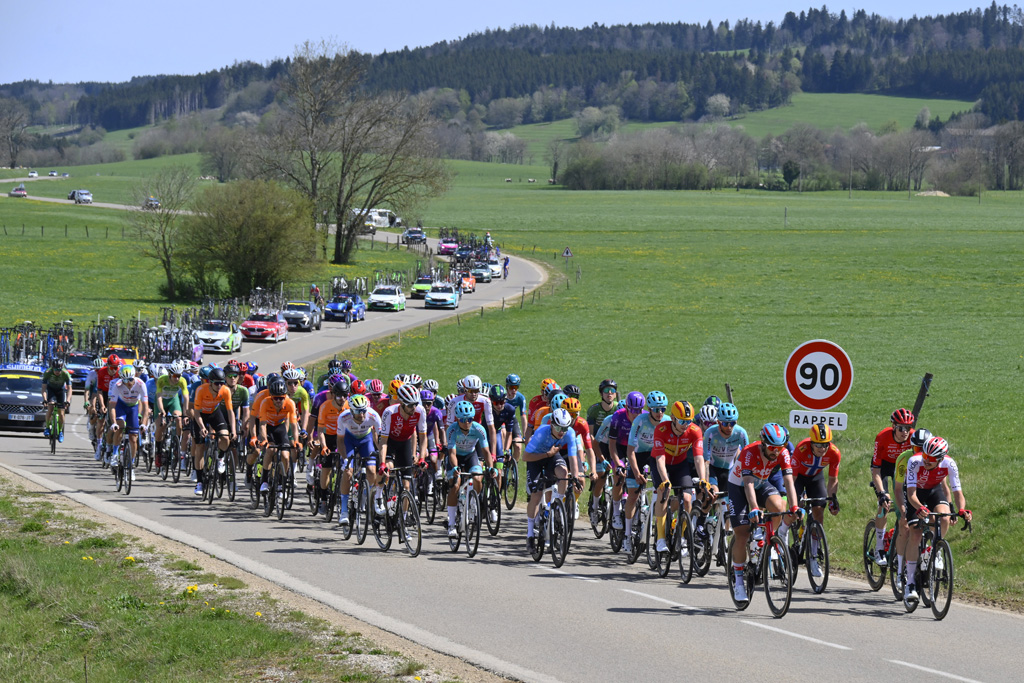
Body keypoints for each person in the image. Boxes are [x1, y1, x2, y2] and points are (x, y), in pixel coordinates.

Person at [728, 423, 802, 603]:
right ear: (763, 443)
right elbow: (748, 484)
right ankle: (738, 581)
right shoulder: (749, 452)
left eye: (780, 448)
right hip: (739, 487)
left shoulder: (783, 453)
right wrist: (754, 507)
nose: (776, 452)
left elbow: (789, 482)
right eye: (772, 448)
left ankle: (767, 540)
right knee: (743, 532)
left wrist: (794, 506)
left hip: (761, 484)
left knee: (778, 507)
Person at [902, 436, 972, 607]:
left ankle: (935, 548)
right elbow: (911, 494)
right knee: (916, 534)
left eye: (931, 459)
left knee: (944, 517)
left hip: (933, 490)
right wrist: (919, 507)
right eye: (925, 456)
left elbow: (957, 493)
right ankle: (910, 582)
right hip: (915, 493)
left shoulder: (949, 464)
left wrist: (962, 509)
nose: (926, 460)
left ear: (940, 459)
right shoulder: (914, 461)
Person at [650, 400, 704, 553]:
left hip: (680, 465)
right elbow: (660, 458)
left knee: (687, 499)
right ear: (672, 418)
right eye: (681, 421)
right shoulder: (661, 429)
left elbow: (699, 458)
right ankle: (660, 539)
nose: (685, 425)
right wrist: (665, 480)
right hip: (660, 464)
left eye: (688, 421)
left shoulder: (695, 431)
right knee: (664, 493)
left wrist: (703, 479)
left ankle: (680, 536)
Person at [789, 424, 842, 578]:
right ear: (811, 442)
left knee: (819, 510)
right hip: (798, 478)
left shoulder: (834, 453)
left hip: (815, 479)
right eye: (818, 445)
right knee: (796, 506)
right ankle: (793, 531)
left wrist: (832, 500)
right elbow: (791, 479)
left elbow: (833, 480)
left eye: (825, 445)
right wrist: (795, 501)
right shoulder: (801, 449)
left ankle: (813, 556)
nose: (822, 449)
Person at [622, 391, 671, 554]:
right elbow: (630, 451)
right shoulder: (640, 421)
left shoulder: (667, 421)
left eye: (663, 409)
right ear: (649, 409)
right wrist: (636, 473)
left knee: (661, 488)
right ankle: (627, 535)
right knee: (633, 494)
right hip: (639, 454)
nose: (660, 413)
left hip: (657, 455)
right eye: (656, 409)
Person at [523, 408, 577, 553]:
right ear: (552, 424)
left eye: (565, 428)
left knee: (564, 473)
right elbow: (525, 457)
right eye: (559, 427)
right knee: (537, 494)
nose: (562, 432)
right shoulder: (541, 432)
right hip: (535, 458)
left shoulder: (569, 433)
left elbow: (573, 457)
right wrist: (547, 454)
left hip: (551, 456)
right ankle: (529, 535)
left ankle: (557, 507)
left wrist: (576, 476)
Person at [870, 409, 915, 566]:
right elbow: (875, 470)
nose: (905, 432)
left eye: (908, 428)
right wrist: (882, 492)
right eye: (901, 428)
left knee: (906, 506)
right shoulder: (882, 437)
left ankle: (895, 542)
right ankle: (879, 547)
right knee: (885, 504)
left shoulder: (913, 438)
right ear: (893, 426)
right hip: (884, 467)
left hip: (902, 468)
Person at [444, 400, 490, 536]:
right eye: (463, 419)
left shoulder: (479, 429)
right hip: (455, 457)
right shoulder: (452, 429)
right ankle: (451, 523)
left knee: (477, 478)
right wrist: (455, 467)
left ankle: (473, 503)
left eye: (469, 419)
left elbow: (486, 452)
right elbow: (451, 453)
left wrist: (491, 467)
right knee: (456, 485)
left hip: (471, 455)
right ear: (458, 418)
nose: (467, 422)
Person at [191, 367, 236, 496]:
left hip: (214, 413)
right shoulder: (201, 390)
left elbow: (230, 411)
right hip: (200, 416)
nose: (220, 385)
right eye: (217, 383)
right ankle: (199, 482)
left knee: (225, 437)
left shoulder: (225, 390)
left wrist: (233, 429)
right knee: (200, 447)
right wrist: (202, 428)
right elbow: (197, 412)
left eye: (222, 383)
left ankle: (220, 459)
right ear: (210, 382)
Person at [107, 364, 150, 482]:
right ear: (121, 379)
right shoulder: (117, 385)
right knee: (120, 426)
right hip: (121, 406)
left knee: (134, 438)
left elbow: (146, 407)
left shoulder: (141, 384)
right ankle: (115, 454)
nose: (128, 382)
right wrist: (113, 422)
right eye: (125, 380)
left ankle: (131, 466)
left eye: (130, 379)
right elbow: (112, 406)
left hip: (133, 408)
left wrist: (144, 424)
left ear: (134, 376)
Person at [154, 359, 189, 470]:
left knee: (178, 419)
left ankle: (176, 444)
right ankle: (158, 451)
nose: (177, 379)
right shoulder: (162, 380)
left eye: (179, 376)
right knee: (161, 424)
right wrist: (162, 411)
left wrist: (186, 414)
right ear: (169, 374)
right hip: (161, 401)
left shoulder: (182, 381)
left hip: (173, 400)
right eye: (175, 376)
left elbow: (186, 398)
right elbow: (159, 397)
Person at [41, 356, 72, 442]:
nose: (58, 372)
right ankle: (47, 427)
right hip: (51, 390)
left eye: (59, 370)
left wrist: (68, 401)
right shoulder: (48, 372)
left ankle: (61, 431)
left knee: (61, 413)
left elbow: (69, 389)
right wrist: (45, 399)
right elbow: (44, 388)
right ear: (52, 368)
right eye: (56, 370)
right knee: (50, 408)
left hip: (60, 391)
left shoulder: (65, 373)